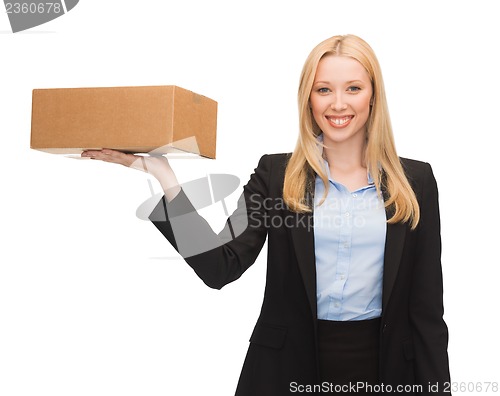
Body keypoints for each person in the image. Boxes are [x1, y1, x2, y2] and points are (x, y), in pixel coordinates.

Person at [82, 34, 451, 395]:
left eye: (353, 88)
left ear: (374, 97)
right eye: (324, 90)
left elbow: (427, 312)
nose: (338, 104)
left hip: (387, 372)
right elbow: (220, 266)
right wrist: (164, 178)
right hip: (287, 369)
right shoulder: (276, 176)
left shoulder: (415, 181)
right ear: (308, 99)